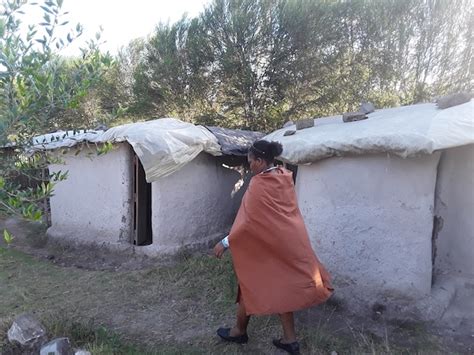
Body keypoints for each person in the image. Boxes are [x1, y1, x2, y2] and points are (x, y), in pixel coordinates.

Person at [213, 139, 333, 355]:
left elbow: (248, 222)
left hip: (268, 246)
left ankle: (239, 332)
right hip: (285, 243)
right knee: (280, 286)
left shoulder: (260, 184)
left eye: (251, 161)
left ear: (260, 161)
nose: (249, 166)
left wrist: (224, 242)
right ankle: (289, 340)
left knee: (250, 283)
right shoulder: (284, 177)